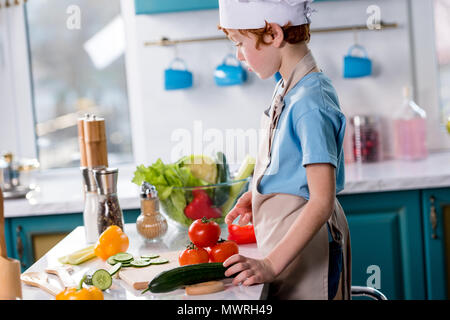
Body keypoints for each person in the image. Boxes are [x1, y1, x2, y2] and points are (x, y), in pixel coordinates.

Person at [218, 0, 352, 300]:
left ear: (274, 35)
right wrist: (262, 194)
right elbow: (293, 167)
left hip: (308, 253)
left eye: (240, 43)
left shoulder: (310, 102)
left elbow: (320, 201)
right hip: (288, 248)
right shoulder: (290, 88)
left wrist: (269, 264)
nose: (239, 55)